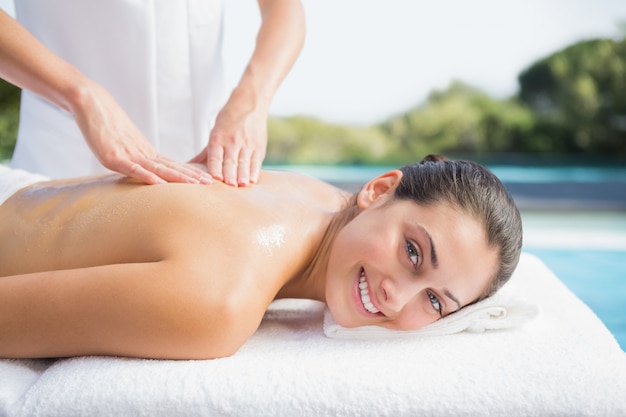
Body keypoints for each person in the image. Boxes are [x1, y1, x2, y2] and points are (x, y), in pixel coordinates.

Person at [0, 155, 523, 360]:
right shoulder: (218, 301)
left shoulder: (311, 194)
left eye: (435, 301)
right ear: (380, 190)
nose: (396, 295)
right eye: (413, 252)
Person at [0, 1, 304, 186]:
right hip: (62, 162)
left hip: (202, 163)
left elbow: (283, 5)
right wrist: (79, 94)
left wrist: (251, 102)